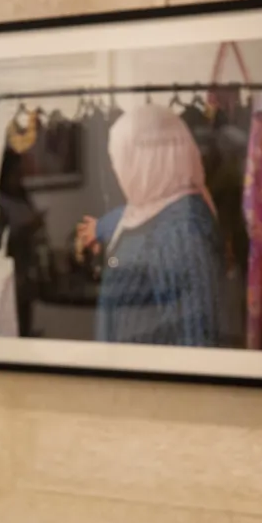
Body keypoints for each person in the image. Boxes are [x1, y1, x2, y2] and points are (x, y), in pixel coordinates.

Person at [89, 103, 226, 347]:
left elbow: (198, 338)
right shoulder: (148, 209)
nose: (116, 167)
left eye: (122, 157)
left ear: (150, 159)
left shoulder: (184, 231)